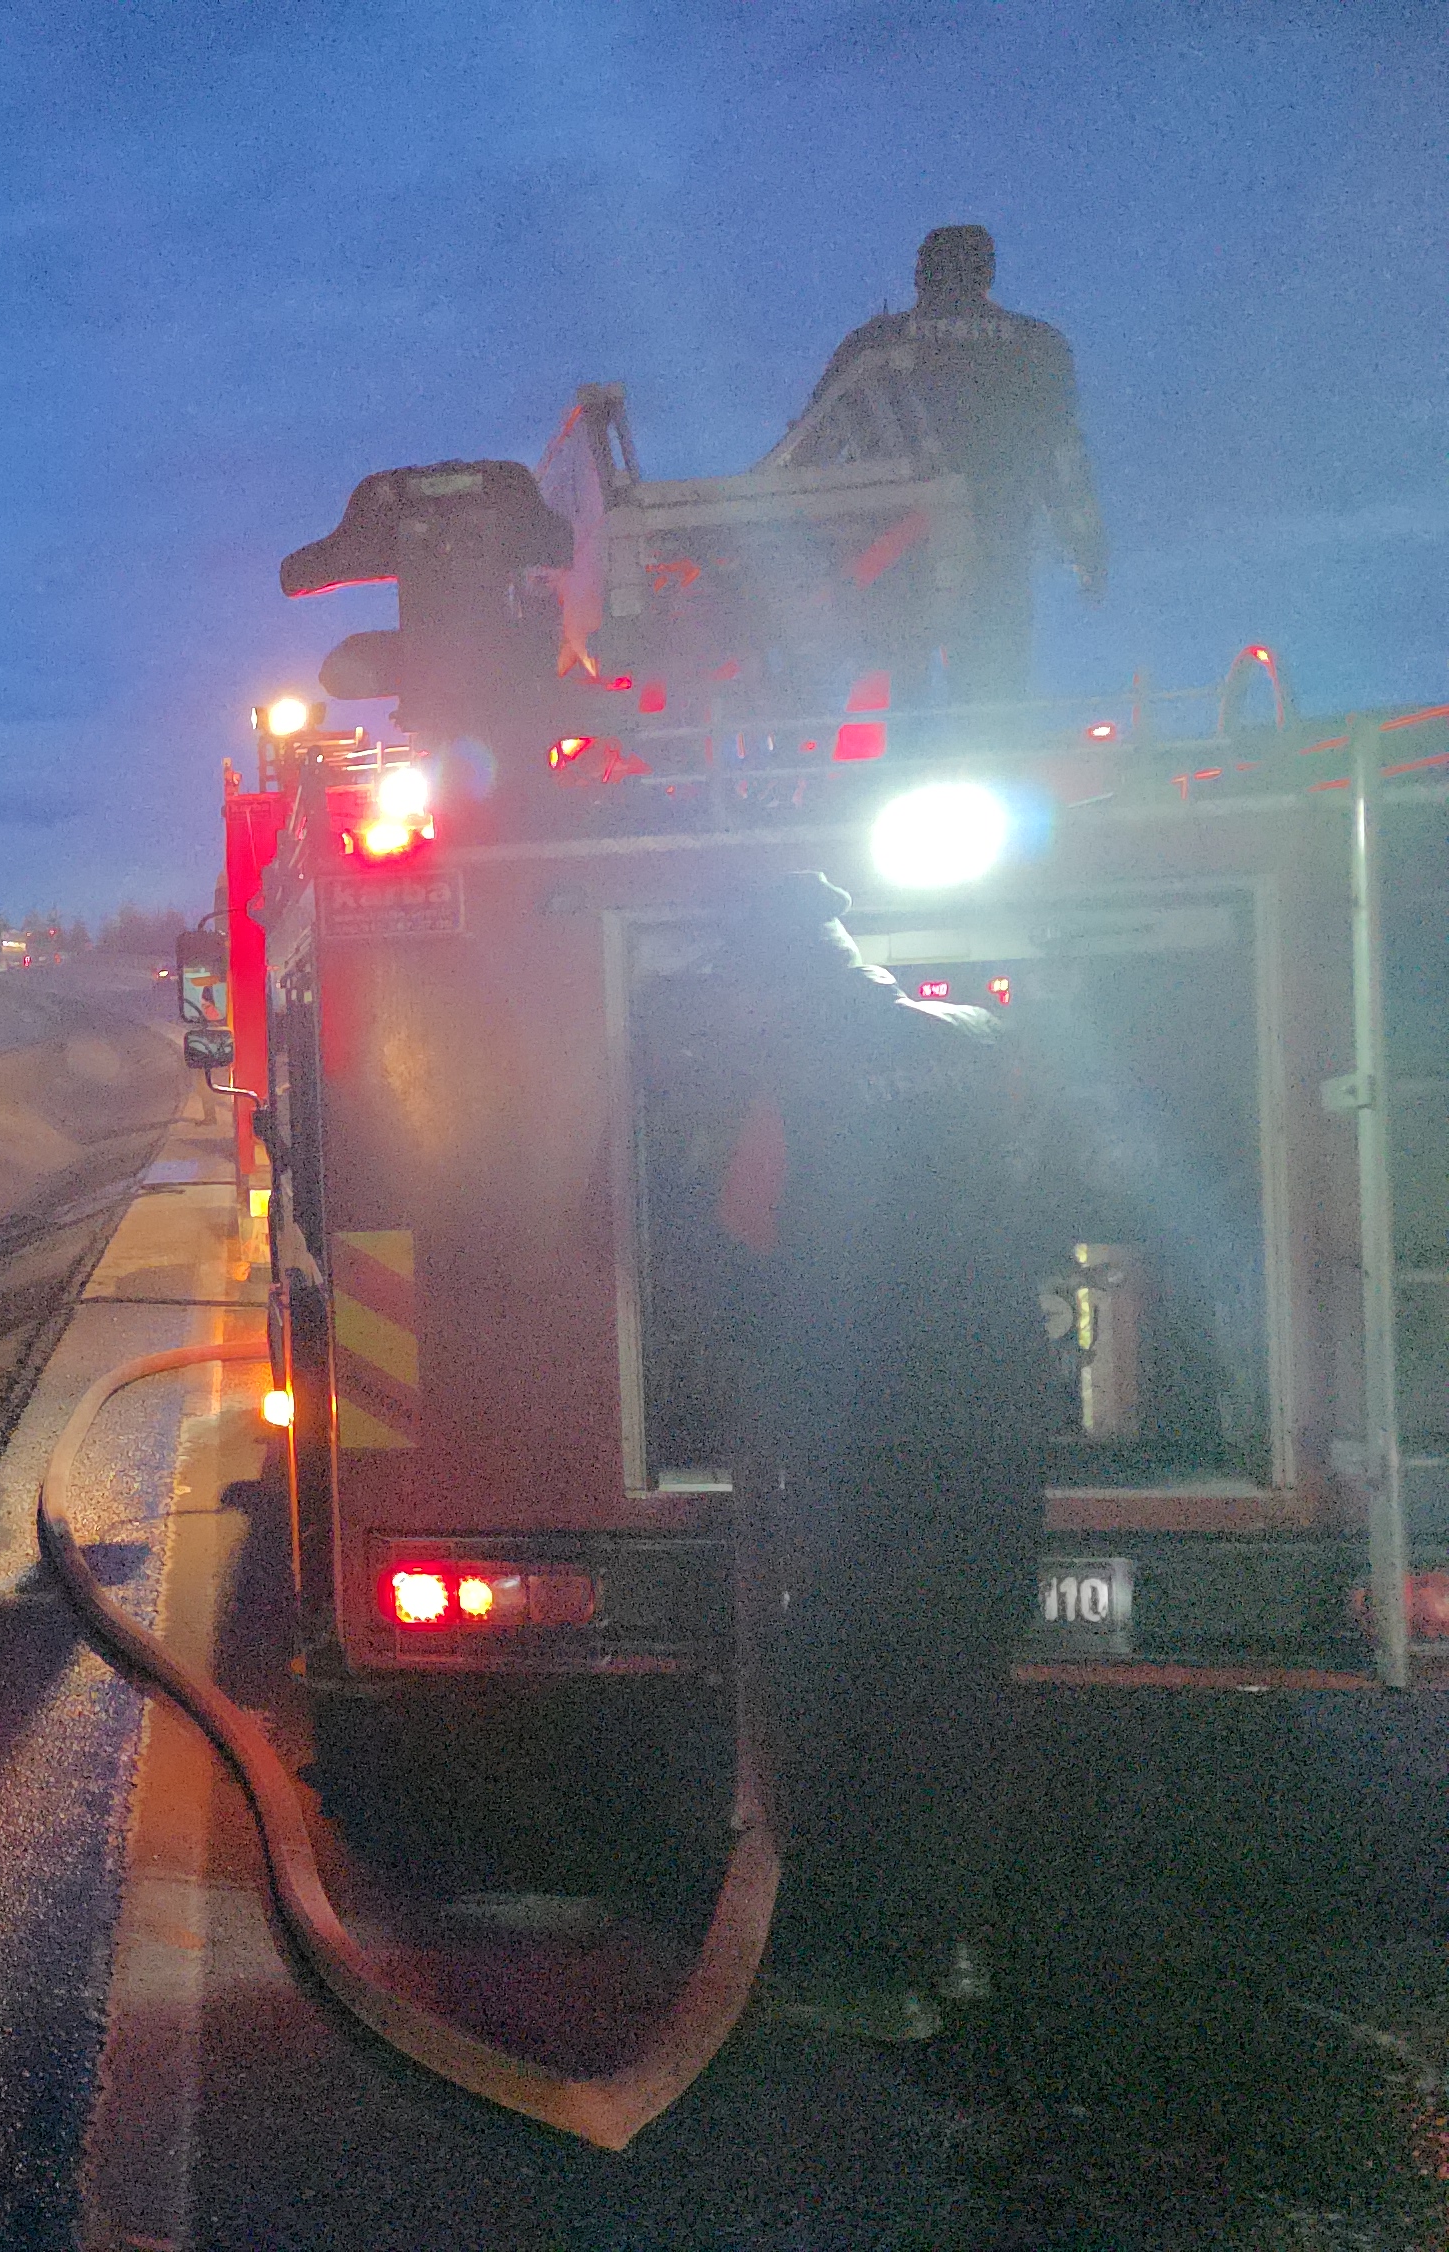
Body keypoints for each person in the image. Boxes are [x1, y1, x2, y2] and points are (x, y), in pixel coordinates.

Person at [706, 871, 1052, 2041]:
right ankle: (954, 1942)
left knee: (854, 1682)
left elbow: (745, 1236)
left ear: (772, 979)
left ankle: (871, 1971)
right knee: (962, 1680)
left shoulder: (792, 1080)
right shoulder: (979, 1039)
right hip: (998, 1409)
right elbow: (1033, 1183)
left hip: (873, 1420)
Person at [792, 225, 1106, 706]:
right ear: (989, 273)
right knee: (992, 703)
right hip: (995, 552)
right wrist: (1086, 547)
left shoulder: (872, 347)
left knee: (891, 700)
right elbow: (1062, 460)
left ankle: (893, 766)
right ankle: (987, 761)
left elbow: (810, 455)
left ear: (920, 274)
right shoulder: (1037, 348)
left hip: (889, 562)